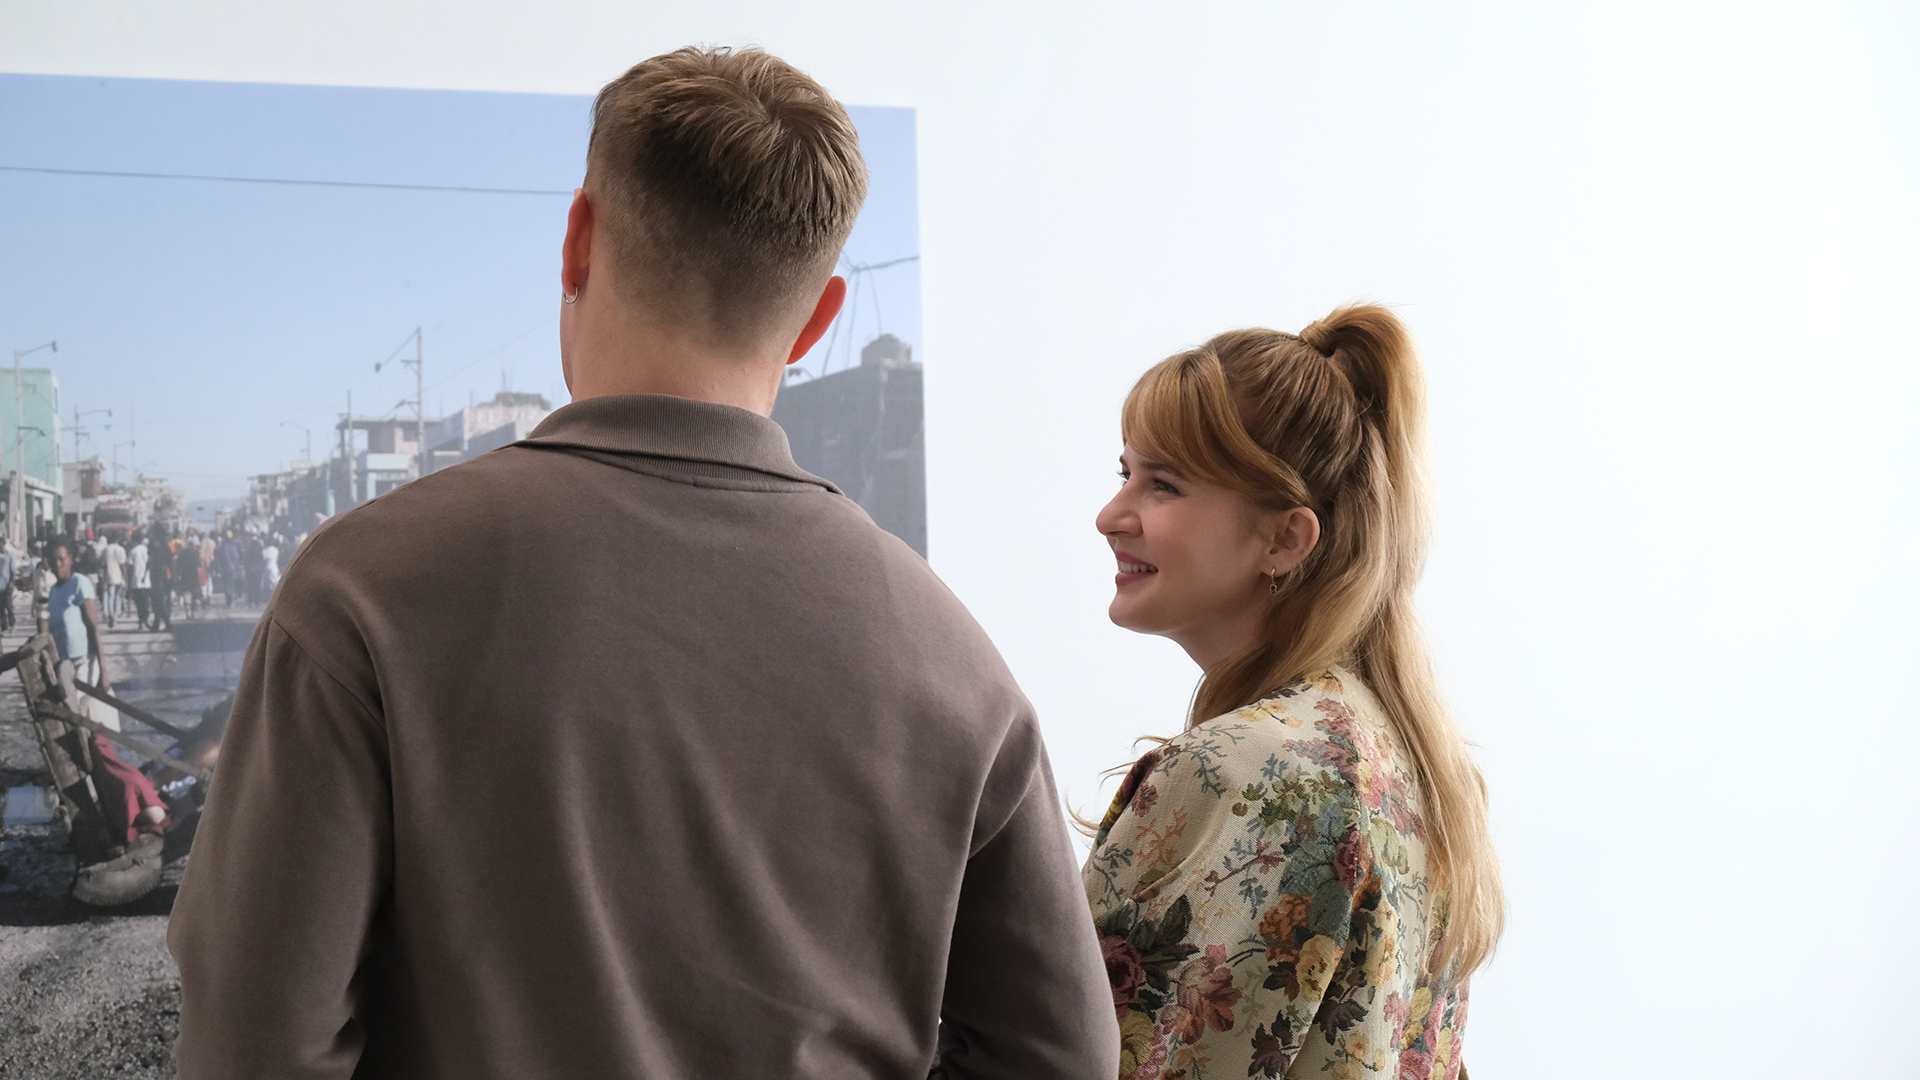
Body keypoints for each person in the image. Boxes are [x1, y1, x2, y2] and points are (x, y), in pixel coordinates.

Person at [170, 46, 1115, 1079]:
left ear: (578, 241)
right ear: (819, 316)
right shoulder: (951, 655)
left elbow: (254, 1046)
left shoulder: (364, 590)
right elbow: (1061, 1052)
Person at [1082, 307, 1506, 1079]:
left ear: (1284, 538)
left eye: (1163, 485)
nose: (1111, 516)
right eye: (1125, 475)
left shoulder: (1243, 771)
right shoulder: (1414, 762)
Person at [44, 538, 168, 846]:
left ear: (71, 559)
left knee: (95, 737)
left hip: (86, 667)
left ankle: (131, 796)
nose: (58, 565)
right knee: (81, 740)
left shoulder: (79, 583)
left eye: (62, 559)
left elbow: (93, 629)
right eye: (53, 560)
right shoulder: (54, 592)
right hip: (67, 672)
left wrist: (104, 671)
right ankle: (108, 798)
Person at [128, 530, 152, 630]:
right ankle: (145, 620)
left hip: (136, 580)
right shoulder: (147, 550)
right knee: (146, 602)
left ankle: (141, 622)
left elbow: (130, 567)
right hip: (146, 581)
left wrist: (128, 581)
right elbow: (150, 564)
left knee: (138, 603)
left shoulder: (132, 551)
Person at [103, 532, 126, 629]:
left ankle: (111, 615)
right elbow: (122, 564)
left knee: (110, 596)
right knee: (118, 596)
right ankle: (115, 616)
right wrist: (125, 576)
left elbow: (103, 564)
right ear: (118, 539)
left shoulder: (106, 549)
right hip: (118, 575)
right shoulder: (120, 549)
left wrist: (104, 577)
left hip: (109, 574)